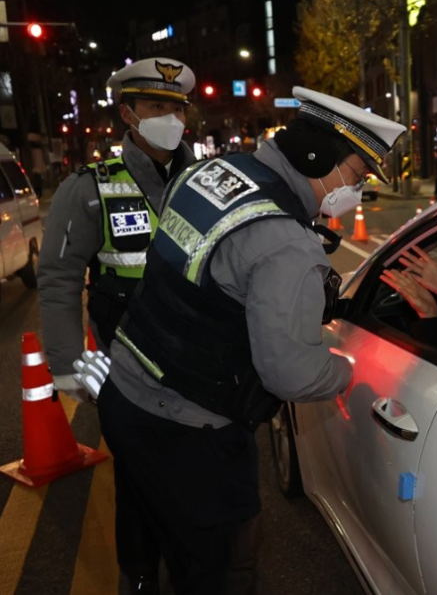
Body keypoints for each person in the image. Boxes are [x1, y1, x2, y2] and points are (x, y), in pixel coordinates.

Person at [92, 86, 406, 594]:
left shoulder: (210, 173)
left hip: (126, 394)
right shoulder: (287, 245)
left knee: (148, 538)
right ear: (316, 156)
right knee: (218, 572)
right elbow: (291, 373)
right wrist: (350, 369)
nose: (358, 190)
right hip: (192, 438)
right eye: (357, 174)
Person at [37, 57, 197, 594]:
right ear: (128, 113)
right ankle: (142, 576)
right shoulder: (90, 188)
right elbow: (59, 279)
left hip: (203, 368)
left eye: (177, 107)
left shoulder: (206, 186)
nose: (171, 119)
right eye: (157, 106)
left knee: (200, 488)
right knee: (138, 487)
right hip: (126, 371)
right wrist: (66, 367)